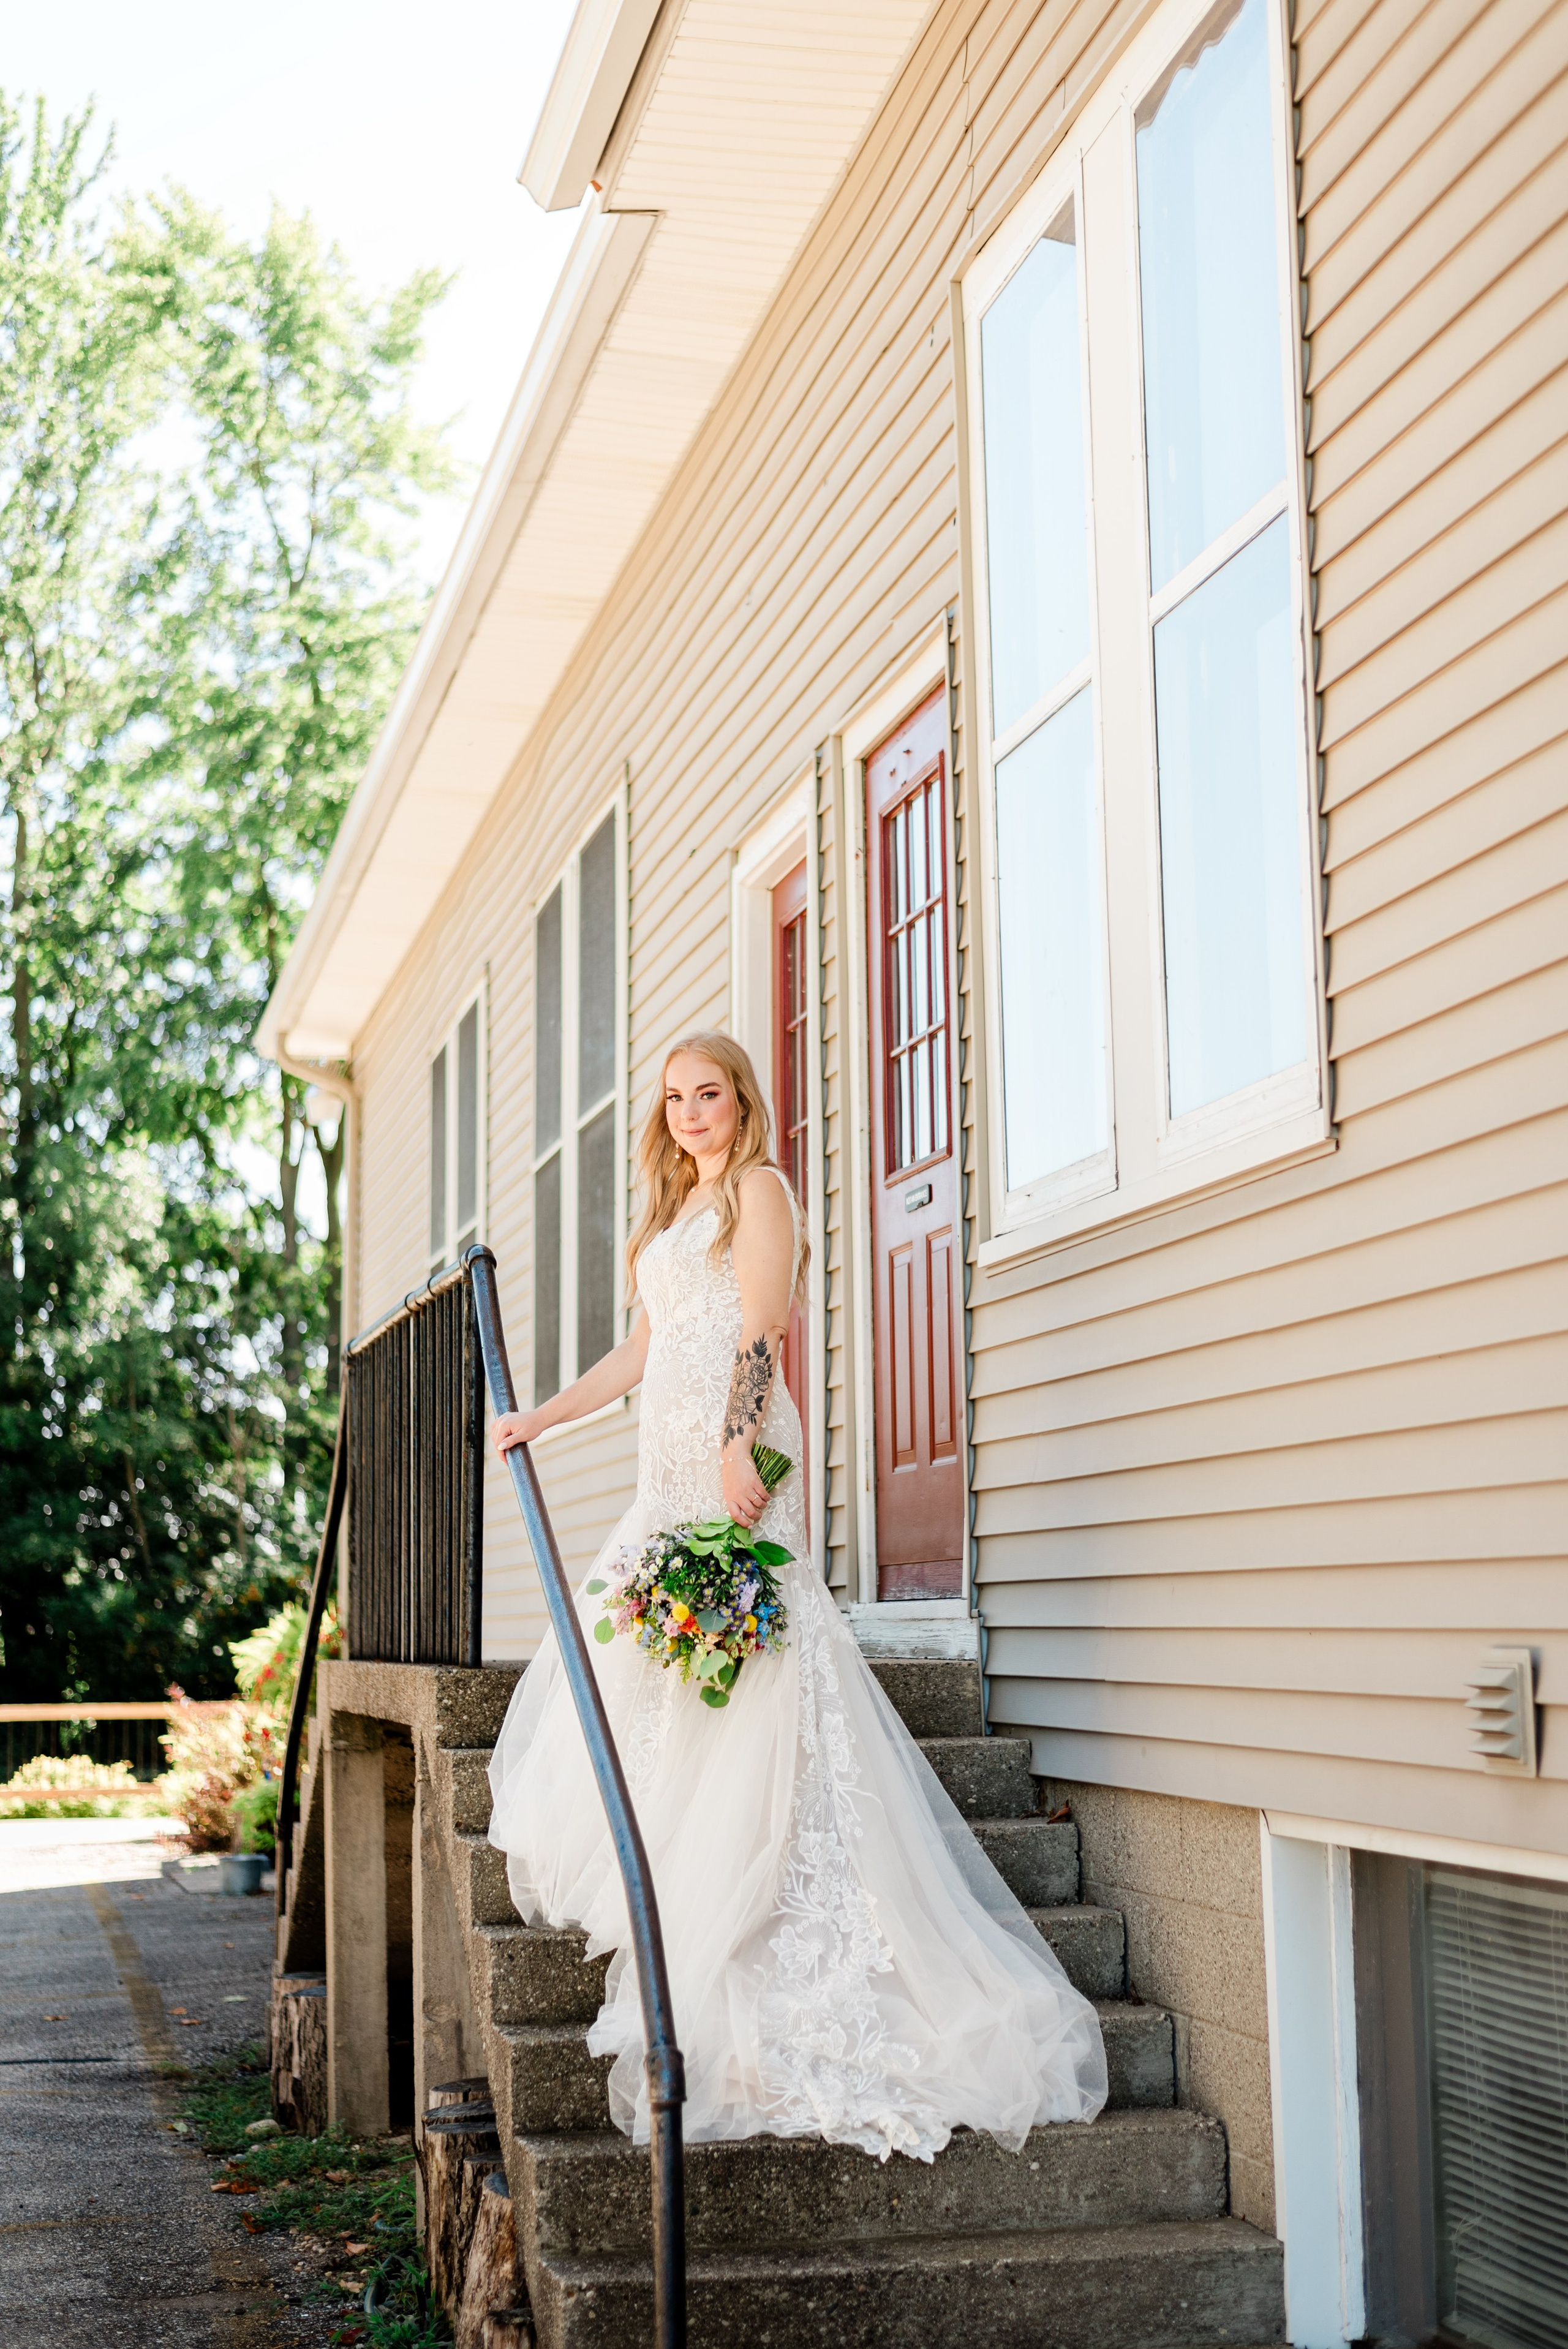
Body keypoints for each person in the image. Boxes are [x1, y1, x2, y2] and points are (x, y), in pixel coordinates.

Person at [486, 1031, 1106, 2162]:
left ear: (742, 1101)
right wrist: (541, 1418)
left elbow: (760, 1331)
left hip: (732, 1466)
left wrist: (737, 1448)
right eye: (675, 1098)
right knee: (661, 1672)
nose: (689, 1113)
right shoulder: (672, 1213)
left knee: (755, 1669)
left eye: (708, 1094)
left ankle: (768, 1907)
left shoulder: (760, 1191)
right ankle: (686, 1884)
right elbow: (640, 1353)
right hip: (664, 1480)